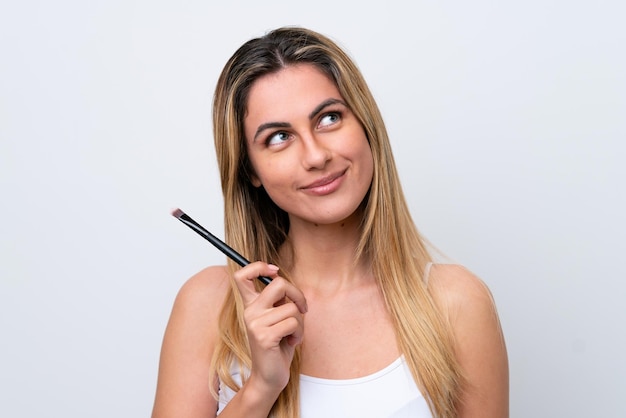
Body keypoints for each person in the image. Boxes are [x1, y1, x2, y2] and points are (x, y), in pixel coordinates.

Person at [151, 27, 508, 418]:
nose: (316, 156)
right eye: (278, 137)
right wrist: (261, 388)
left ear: (366, 125)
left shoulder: (456, 302)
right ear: (250, 169)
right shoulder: (208, 305)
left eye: (329, 118)